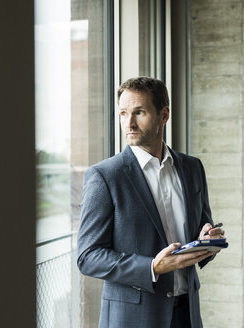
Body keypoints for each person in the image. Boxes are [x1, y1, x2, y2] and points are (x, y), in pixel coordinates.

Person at [77, 77, 226, 328]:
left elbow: (201, 227)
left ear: (164, 114)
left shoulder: (192, 167)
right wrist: (152, 267)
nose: (129, 123)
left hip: (187, 314)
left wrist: (207, 240)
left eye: (140, 112)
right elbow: (88, 256)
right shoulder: (105, 176)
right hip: (134, 318)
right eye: (124, 113)